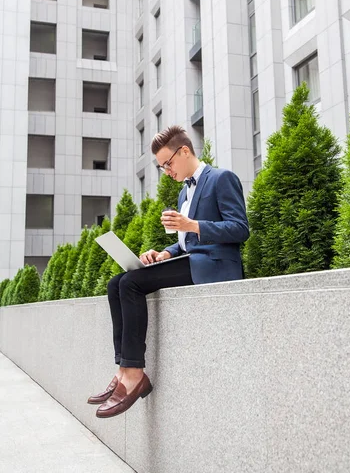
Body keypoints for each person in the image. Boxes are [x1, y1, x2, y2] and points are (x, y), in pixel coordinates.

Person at [88, 125, 249, 418]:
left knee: (131, 284)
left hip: (214, 266)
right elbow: (186, 244)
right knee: (115, 283)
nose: (167, 171)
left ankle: (135, 373)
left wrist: (192, 225)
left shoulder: (221, 178)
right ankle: (124, 368)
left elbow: (240, 229)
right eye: (162, 167)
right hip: (192, 260)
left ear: (184, 151)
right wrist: (164, 252)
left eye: (168, 163)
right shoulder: (183, 194)